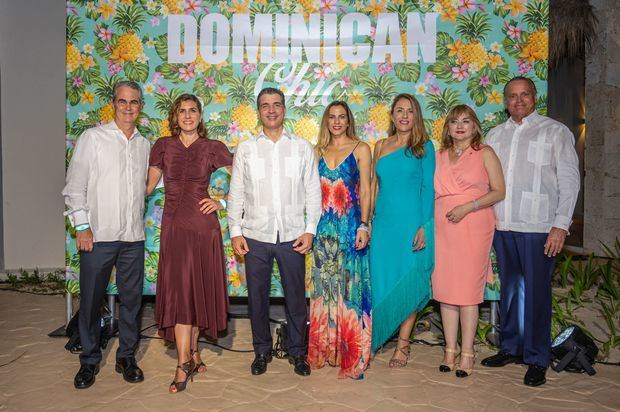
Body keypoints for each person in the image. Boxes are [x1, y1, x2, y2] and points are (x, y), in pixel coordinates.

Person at [480, 77, 580, 387]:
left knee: (536, 293)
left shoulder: (554, 132)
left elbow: (569, 180)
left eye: (524, 95)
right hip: (503, 225)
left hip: (539, 228)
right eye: (512, 96)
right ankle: (511, 347)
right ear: (505, 100)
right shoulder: (495, 136)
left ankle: (536, 358)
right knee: (510, 290)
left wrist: (560, 225)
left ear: (534, 98)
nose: (518, 100)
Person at [227, 87, 321, 376]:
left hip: (293, 236)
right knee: (257, 298)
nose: (271, 110)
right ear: (258, 111)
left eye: (276, 105)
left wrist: (310, 230)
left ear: (284, 109)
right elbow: (237, 193)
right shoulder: (246, 148)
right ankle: (261, 350)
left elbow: (313, 191)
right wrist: (235, 231)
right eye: (265, 105)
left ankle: (297, 352)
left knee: (295, 298)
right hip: (255, 235)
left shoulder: (302, 147)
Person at [63, 81, 150, 389]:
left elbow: (146, 187)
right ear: (113, 103)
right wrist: (82, 227)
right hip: (98, 236)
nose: (128, 107)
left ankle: (126, 356)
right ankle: (88, 359)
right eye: (123, 101)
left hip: (133, 238)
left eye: (134, 102)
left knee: (131, 301)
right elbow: (74, 187)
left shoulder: (144, 144)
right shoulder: (93, 138)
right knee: (90, 300)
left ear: (140, 106)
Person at [146, 94, 233, 393]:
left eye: (192, 110)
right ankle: (188, 357)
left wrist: (222, 203)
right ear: (174, 116)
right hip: (174, 228)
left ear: (200, 115)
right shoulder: (163, 146)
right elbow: (146, 186)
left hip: (203, 229)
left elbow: (249, 179)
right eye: (181, 111)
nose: (187, 116)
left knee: (194, 291)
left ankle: (187, 359)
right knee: (181, 292)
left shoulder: (212, 147)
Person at [431, 104, 505, 377]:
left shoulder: (485, 153)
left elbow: (499, 191)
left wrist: (468, 207)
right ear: (448, 128)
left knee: (467, 293)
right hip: (443, 227)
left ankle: (467, 353)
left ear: (475, 126)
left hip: (474, 224)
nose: (460, 126)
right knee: (446, 291)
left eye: (466, 121)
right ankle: (449, 351)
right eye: (454, 121)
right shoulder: (437, 156)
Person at [307, 101, 372, 379]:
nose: (336, 121)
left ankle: (351, 352)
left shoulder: (361, 149)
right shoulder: (316, 151)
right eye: (331, 117)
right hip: (322, 233)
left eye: (341, 117)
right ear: (326, 121)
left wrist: (364, 226)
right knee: (325, 291)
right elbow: (308, 193)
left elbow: (367, 190)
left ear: (348, 121)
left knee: (348, 292)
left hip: (349, 231)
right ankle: (325, 350)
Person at [369, 93, 435, 366]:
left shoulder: (424, 146)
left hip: (411, 225)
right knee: (381, 281)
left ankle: (403, 346)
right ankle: (378, 336)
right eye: (399, 110)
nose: (404, 115)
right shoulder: (381, 146)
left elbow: (428, 188)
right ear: (393, 116)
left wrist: (425, 227)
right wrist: (368, 220)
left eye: (409, 111)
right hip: (383, 226)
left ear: (416, 116)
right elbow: (374, 186)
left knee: (408, 283)